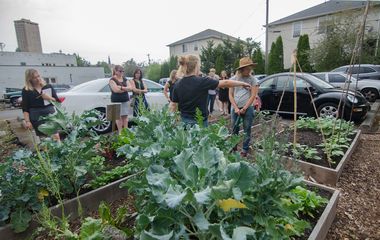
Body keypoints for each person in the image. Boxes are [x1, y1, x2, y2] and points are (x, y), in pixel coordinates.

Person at [170, 54, 251, 127]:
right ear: (196, 67)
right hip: (200, 123)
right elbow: (225, 82)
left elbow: (173, 105)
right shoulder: (202, 81)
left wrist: (173, 121)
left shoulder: (178, 84)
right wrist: (242, 83)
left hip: (185, 122)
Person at [229, 57, 259, 158]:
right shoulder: (233, 79)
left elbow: (253, 95)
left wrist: (245, 108)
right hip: (235, 108)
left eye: (250, 68)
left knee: (247, 128)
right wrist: (236, 108)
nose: (249, 70)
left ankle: (245, 149)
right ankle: (233, 147)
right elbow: (230, 95)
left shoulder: (253, 80)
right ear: (241, 69)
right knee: (234, 128)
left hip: (248, 108)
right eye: (247, 68)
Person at [21, 69, 60, 140]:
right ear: (29, 79)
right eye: (34, 77)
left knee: (56, 136)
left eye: (38, 76)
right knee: (44, 139)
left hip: (50, 115)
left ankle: (59, 150)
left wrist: (48, 97)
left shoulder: (48, 86)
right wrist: (27, 121)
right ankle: (48, 151)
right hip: (36, 116)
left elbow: (57, 101)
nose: (37, 78)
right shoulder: (26, 90)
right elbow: (25, 108)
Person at [109, 65, 133, 133]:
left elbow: (131, 88)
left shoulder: (125, 79)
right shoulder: (112, 80)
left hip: (125, 100)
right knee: (118, 118)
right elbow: (116, 90)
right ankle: (120, 133)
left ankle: (126, 132)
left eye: (123, 71)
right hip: (115, 101)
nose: (122, 72)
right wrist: (126, 89)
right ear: (116, 71)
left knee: (125, 117)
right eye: (120, 71)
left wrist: (121, 88)